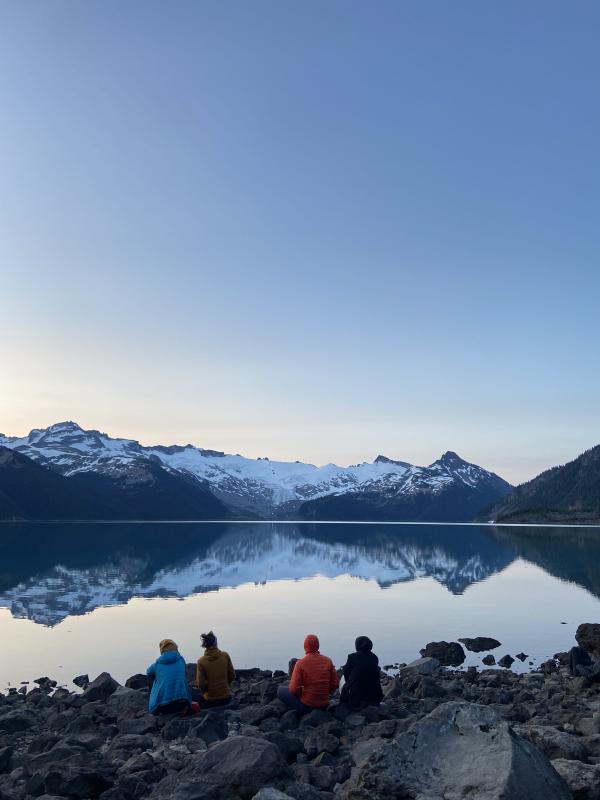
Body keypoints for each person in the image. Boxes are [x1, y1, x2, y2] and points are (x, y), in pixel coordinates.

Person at [277, 634, 339, 715]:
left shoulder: (300, 663)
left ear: (305, 646)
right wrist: (323, 691)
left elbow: (294, 690)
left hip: (307, 706)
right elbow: (335, 684)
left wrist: (302, 692)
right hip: (324, 705)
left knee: (280, 690)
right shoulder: (328, 661)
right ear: (318, 645)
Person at [146, 638, 192, 715]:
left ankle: (156, 701)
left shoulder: (157, 664)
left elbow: (148, 672)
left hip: (164, 706)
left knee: (154, 677)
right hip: (182, 702)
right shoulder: (181, 660)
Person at [340, 635, 383, 710]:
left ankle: (345, 699)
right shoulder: (375, 658)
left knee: (342, 678)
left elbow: (346, 674)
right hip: (375, 697)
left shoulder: (352, 657)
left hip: (356, 699)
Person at [196, 631, 236, 707]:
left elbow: (201, 684)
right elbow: (232, 676)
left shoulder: (201, 661)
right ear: (215, 643)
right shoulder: (225, 655)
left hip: (210, 700)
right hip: (226, 698)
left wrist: (207, 692)